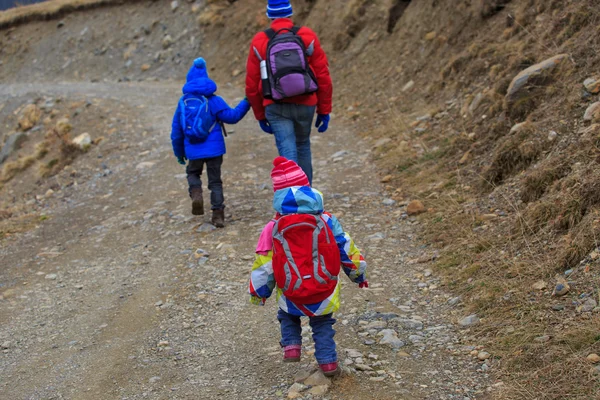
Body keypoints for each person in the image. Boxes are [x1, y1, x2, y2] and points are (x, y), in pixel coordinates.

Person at [248, 157, 368, 377]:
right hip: (324, 288)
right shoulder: (327, 220)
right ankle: (329, 363)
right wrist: (358, 274)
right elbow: (347, 248)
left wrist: (259, 292)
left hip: (291, 288)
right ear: (307, 188)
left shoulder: (272, 227)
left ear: (277, 196)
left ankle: (292, 346)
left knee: (287, 315)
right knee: (322, 324)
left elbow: (264, 264)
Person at [245, 0, 333, 184]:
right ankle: (307, 198)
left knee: (287, 151)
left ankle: (292, 200)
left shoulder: (260, 40)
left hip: (275, 106)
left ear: (270, 15)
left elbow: (252, 85)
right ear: (290, 13)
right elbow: (323, 75)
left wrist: (260, 116)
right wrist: (324, 110)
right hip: (306, 102)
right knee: (303, 146)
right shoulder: (307, 35)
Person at [171, 58, 250, 227]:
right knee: (215, 181)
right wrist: (247, 101)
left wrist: (179, 154)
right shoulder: (214, 100)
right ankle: (218, 215)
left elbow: (176, 133)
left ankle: (197, 193)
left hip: (193, 151)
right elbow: (233, 117)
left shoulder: (183, 104)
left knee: (193, 173)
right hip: (215, 150)